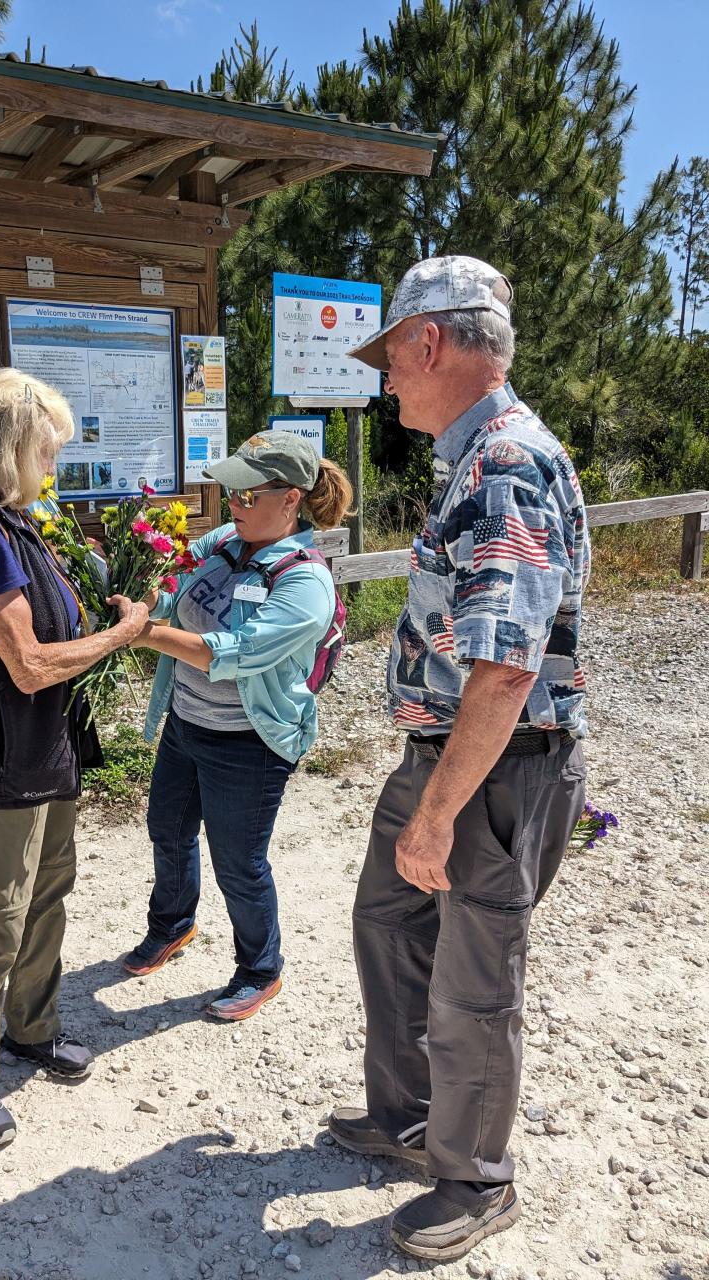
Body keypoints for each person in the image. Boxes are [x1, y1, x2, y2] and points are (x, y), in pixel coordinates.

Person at [327, 256, 590, 1262]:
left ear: (429, 341)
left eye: (392, 356)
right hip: (452, 753)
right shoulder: (474, 458)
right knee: (388, 920)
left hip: (494, 766)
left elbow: (506, 670)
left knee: (474, 983)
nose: (387, 377)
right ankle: (408, 1118)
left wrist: (438, 812)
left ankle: (475, 1177)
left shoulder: (506, 463)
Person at [0, 367, 148, 1147]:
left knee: (44, 900)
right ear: (11, 446)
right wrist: (125, 633)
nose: (52, 466)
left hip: (40, 757)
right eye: (46, 451)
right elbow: (28, 664)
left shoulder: (9, 524)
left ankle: (32, 1029)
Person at [123, 433, 353, 1021]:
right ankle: (172, 925)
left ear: (292, 499)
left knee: (239, 862)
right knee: (167, 830)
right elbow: (174, 588)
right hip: (186, 721)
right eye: (233, 491)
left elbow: (235, 653)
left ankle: (260, 968)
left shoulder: (306, 583)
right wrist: (145, 591)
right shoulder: (224, 541)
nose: (236, 504)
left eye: (251, 494)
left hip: (248, 744)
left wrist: (141, 632)